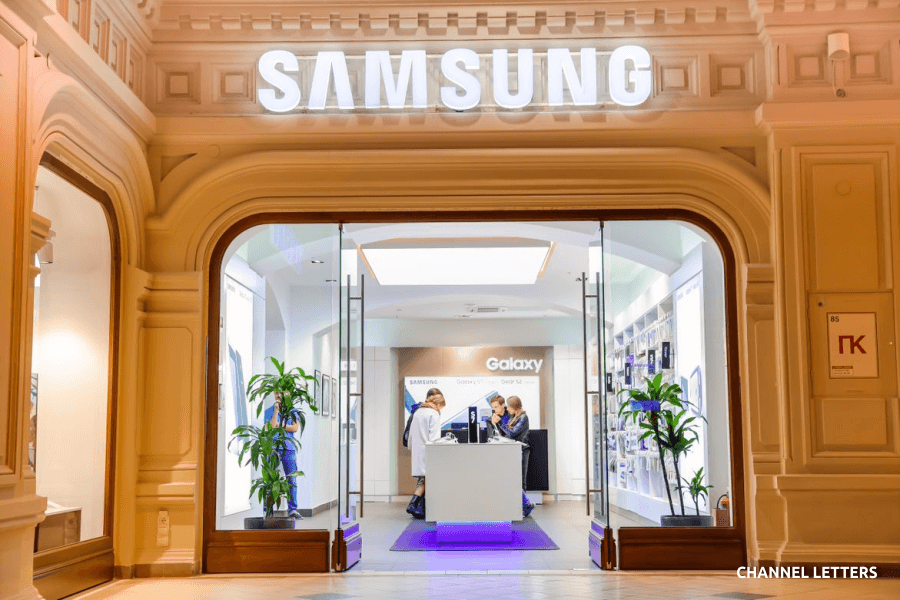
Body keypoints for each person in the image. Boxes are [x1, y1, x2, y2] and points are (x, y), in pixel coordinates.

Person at [406, 387, 446, 519]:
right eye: (441, 407)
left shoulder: (418, 412)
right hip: (428, 452)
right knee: (428, 479)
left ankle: (416, 506)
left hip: (418, 451)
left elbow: (410, 435)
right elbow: (434, 438)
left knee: (424, 479)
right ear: (438, 405)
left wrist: (413, 449)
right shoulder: (433, 414)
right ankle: (415, 506)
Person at [263, 393, 302, 519]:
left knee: (292, 479)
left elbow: (295, 428)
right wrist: (276, 412)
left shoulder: (292, 411)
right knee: (269, 479)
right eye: (276, 392)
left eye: (281, 392)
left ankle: (292, 509)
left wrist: (281, 426)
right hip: (273, 448)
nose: (279, 395)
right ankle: (268, 509)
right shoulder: (268, 411)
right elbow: (270, 427)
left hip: (289, 448)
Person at [495, 395, 536, 518]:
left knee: (520, 480)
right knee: (514, 480)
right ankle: (523, 506)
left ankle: (524, 507)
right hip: (514, 452)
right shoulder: (514, 417)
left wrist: (500, 422)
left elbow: (513, 434)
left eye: (508, 407)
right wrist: (497, 424)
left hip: (522, 451)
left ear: (514, 406)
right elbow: (506, 434)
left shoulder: (523, 418)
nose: (507, 409)